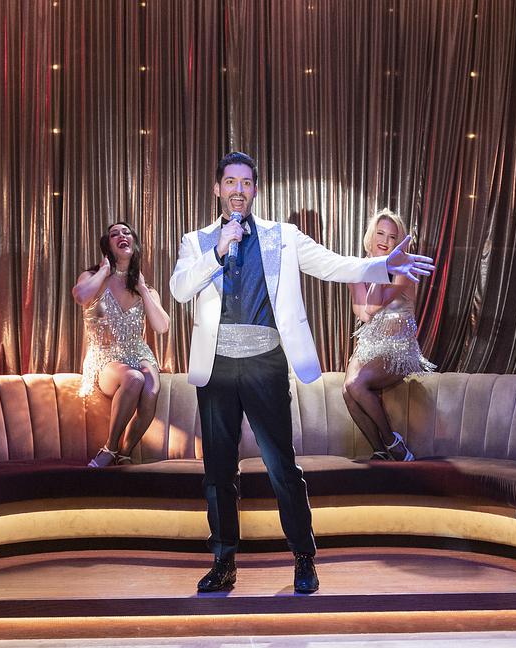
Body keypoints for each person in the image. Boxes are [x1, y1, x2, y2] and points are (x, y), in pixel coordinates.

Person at [170, 152, 435, 594]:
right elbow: (180, 289)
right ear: (217, 189)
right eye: (230, 182)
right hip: (216, 367)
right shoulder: (196, 241)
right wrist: (218, 250)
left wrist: (382, 266)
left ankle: (303, 558)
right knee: (218, 471)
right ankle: (224, 561)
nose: (238, 190)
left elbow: (331, 264)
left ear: (255, 190)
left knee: (281, 466)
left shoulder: (282, 237)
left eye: (246, 183)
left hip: (265, 362)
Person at [73, 222, 170, 467]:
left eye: (126, 232)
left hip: (138, 352)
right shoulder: (92, 278)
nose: (121, 236)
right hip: (105, 357)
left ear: (134, 243)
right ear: (107, 245)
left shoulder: (146, 288)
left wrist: (143, 289)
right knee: (134, 378)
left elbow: (162, 327)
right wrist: (104, 271)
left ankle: (125, 452)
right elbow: (81, 296)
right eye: (114, 234)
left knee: (151, 387)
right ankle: (110, 447)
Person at [344, 209, 436, 461]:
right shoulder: (357, 268)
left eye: (392, 237)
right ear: (370, 236)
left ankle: (392, 441)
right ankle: (380, 450)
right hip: (369, 345)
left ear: (398, 243)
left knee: (355, 384)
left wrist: (380, 268)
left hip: (398, 348)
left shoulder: (403, 271)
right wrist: (372, 267)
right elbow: (363, 314)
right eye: (380, 233)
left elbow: (373, 307)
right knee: (347, 391)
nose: (385, 240)